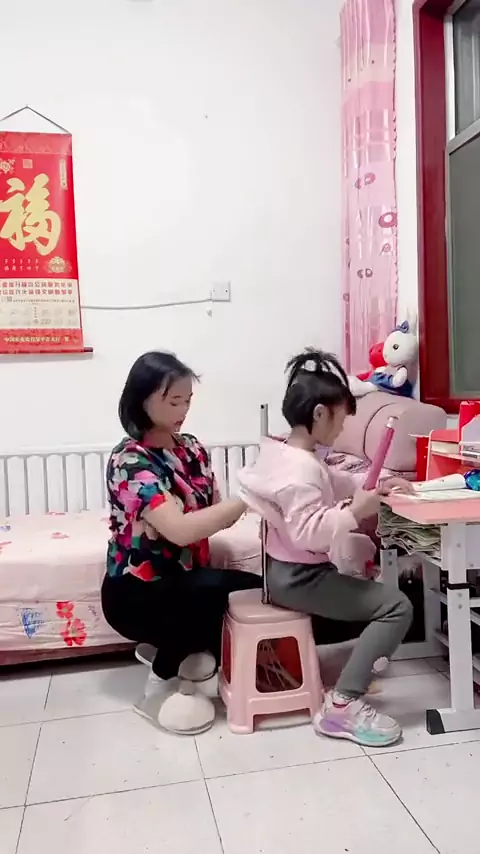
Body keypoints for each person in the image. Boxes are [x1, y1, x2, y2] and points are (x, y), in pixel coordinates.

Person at [237, 348, 414, 748]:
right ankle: (342, 705)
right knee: (397, 606)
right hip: (299, 577)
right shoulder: (301, 469)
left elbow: (333, 482)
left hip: (282, 571)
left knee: (372, 597)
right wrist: (355, 513)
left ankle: (350, 681)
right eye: (340, 420)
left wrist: (375, 485)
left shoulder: (286, 452)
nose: (342, 429)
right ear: (319, 414)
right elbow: (309, 533)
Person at [101, 351, 262, 735]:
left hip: (185, 579)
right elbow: (183, 530)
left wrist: (226, 508)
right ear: (141, 398)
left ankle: (183, 654)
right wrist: (251, 496)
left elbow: (213, 514)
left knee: (246, 591)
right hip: (135, 592)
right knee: (221, 592)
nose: (183, 410)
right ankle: (157, 686)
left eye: (187, 400)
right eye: (174, 401)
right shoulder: (129, 460)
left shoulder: (191, 448)